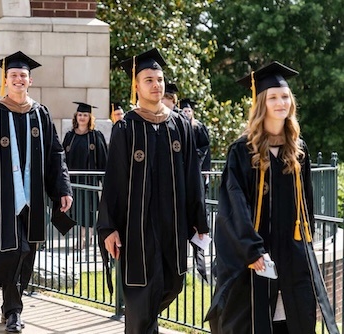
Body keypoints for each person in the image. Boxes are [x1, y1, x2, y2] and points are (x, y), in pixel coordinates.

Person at [205, 61, 339, 334]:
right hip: (257, 256)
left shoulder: (298, 149)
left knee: (293, 320)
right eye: (274, 97)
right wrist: (251, 249)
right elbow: (234, 203)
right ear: (261, 103)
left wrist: (307, 243)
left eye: (286, 96)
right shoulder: (243, 151)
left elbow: (306, 205)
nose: (281, 102)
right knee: (254, 322)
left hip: (292, 253)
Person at [97, 48, 208, 334]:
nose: (156, 84)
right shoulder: (126, 127)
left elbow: (192, 176)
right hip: (137, 226)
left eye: (159, 79)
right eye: (149, 79)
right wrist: (109, 227)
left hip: (172, 224)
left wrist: (199, 220)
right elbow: (115, 181)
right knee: (139, 291)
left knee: (172, 284)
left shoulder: (179, 124)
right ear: (136, 85)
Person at [0, 51, 73, 333]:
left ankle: (9, 305)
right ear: (6, 80)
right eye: (13, 75)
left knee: (29, 251)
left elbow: (54, 153)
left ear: (30, 80)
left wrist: (62, 188)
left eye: (23, 75)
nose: (18, 79)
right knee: (15, 250)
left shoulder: (40, 113)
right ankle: (14, 311)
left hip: (33, 197)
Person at [63, 102, 108, 250]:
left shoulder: (95, 136)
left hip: (89, 181)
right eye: (80, 115)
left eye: (85, 115)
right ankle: (82, 237)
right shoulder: (70, 136)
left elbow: (103, 159)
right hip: (73, 181)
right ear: (76, 116)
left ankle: (85, 238)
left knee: (87, 211)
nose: (82, 118)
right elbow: (63, 158)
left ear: (90, 117)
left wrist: (104, 182)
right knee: (75, 210)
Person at [179, 98, 211, 187]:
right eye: (185, 111)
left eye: (189, 111)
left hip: (197, 163)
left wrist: (195, 155)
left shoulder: (198, 127)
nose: (187, 113)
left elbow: (205, 145)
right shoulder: (178, 126)